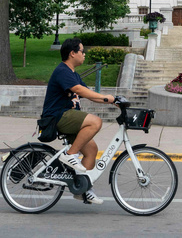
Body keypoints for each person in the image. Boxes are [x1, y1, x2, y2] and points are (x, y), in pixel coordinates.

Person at [41, 37, 122, 205]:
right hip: (57, 116)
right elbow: (79, 90)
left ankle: (83, 190)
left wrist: (113, 101)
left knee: (91, 150)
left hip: (67, 117)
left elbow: (88, 93)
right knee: (95, 122)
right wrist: (106, 98)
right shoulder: (63, 71)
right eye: (82, 51)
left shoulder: (73, 74)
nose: (84, 54)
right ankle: (69, 155)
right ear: (72, 53)